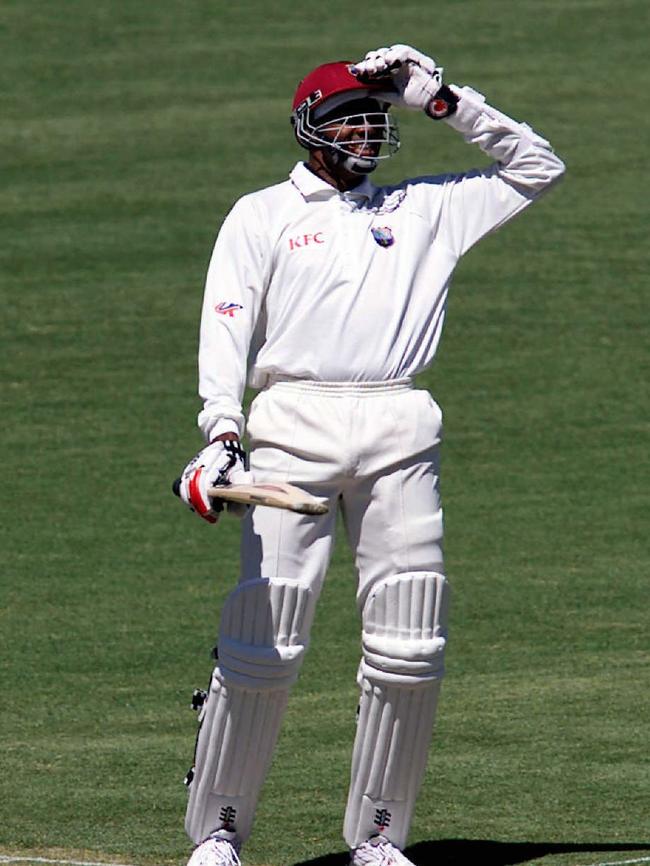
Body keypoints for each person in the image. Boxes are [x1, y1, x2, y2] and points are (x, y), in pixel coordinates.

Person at [175, 44, 565, 866]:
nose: (364, 131)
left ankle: (380, 837)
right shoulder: (262, 215)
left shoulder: (426, 209)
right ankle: (218, 832)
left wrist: (443, 100)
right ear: (308, 129)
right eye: (349, 118)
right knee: (264, 644)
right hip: (292, 427)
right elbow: (227, 326)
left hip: (399, 425)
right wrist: (220, 433)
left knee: (410, 641)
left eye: (374, 118)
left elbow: (539, 167)